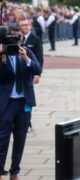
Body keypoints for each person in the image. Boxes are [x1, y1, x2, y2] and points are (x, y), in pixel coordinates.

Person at [0, 25, 41, 180]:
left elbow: (37, 68)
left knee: (20, 138)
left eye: (18, 38)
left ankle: (14, 171)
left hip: (24, 103)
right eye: (12, 38)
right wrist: (3, 59)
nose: (16, 42)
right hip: (6, 103)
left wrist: (26, 59)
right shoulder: (2, 54)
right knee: (2, 138)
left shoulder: (27, 51)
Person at [19, 18, 44, 84]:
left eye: (26, 25)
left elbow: (39, 58)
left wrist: (37, 74)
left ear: (30, 26)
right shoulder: (16, 38)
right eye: (22, 25)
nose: (24, 27)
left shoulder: (36, 39)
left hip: (30, 70)